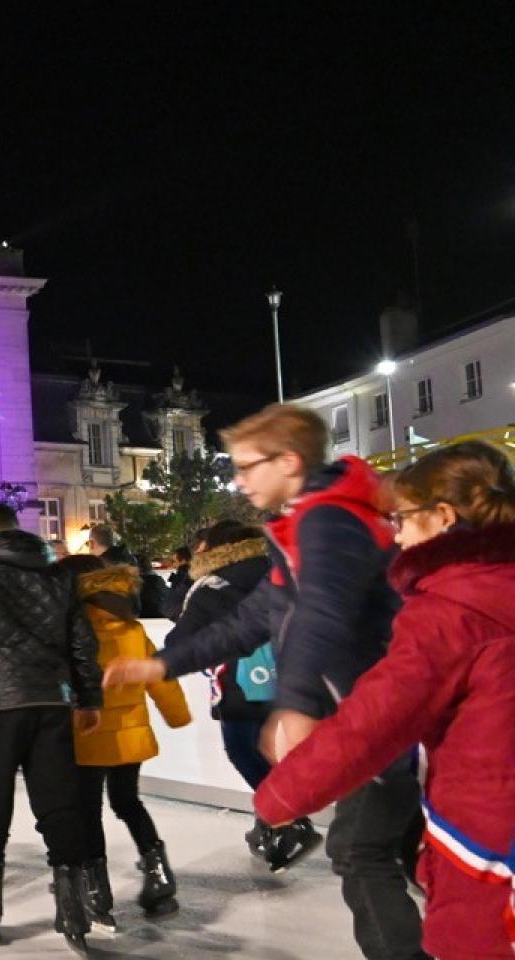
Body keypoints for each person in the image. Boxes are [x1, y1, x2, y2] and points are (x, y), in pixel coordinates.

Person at [104, 404, 417, 960]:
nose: (240, 480)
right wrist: (164, 664)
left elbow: (323, 612)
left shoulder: (328, 521)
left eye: (248, 466)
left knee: (361, 850)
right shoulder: (303, 525)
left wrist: (295, 705)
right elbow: (252, 620)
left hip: (380, 712)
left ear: (289, 461)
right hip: (367, 710)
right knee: (394, 847)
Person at [254, 441, 515, 960]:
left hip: (488, 833)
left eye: (404, 518)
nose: (396, 534)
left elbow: (377, 719)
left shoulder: (449, 609)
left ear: (443, 517)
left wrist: (282, 797)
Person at [0, 501, 102, 952]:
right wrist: (89, 697)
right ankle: (73, 907)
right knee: (58, 801)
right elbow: (82, 641)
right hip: (52, 700)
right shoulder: (57, 573)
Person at [55, 554, 191, 929]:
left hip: (87, 734)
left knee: (87, 811)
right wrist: (177, 715)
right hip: (132, 734)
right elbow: (159, 677)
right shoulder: (131, 625)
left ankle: (96, 890)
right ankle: (159, 876)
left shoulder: (73, 625)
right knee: (128, 802)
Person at [166, 519, 314, 861]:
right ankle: (272, 823)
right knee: (271, 752)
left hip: (239, 680)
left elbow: (179, 635)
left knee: (243, 751)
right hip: (291, 676)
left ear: (215, 547)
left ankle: (289, 819)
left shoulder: (213, 584)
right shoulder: (277, 570)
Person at [162, 546, 194, 619]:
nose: (173, 565)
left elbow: (176, 598)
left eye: (174, 561)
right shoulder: (185, 575)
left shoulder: (183, 576)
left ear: (183, 561)